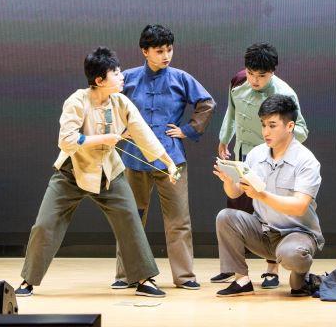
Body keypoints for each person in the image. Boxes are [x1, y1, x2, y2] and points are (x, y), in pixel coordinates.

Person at [15, 47, 178, 298]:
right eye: (116, 73)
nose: (122, 77)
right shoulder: (77, 101)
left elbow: (144, 135)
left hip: (109, 172)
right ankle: (28, 280)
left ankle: (144, 279)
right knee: (45, 224)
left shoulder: (121, 102)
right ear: (100, 80)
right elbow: (66, 140)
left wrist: (168, 163)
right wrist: (103, 138)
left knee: (130, 219)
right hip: (72, 172)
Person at [112, 24, 215, 290]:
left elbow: (207, 103)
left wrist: (187, 130)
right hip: (134, 159)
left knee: (179, 220)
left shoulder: (181, 78)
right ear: (145, 51)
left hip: (172, 159)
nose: (166, 55)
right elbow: (106, 103)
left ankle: (185, 276)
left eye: (169, 49)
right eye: (159, 51)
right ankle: (126, 274)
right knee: (131, 218)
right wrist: (118, 130)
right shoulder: (127, 78)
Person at [212, 43, 309, 288]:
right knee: (234, 207)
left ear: (273, 72)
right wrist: (224, 138)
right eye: (251, 73)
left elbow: (302, 130)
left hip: (271, 161)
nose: (255, 80)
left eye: (261, 76)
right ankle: (234, 269)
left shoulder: (285, 94)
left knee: (268, 212)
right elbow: (231, 112)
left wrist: (278, 143)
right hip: (244, 155)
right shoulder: (238, 82)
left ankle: (271, 268)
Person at [213, 94, 323, 297]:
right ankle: (242, 280)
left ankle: (302, 279)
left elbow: (299, 206)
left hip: (296, 233)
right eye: (263, 125)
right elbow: (235, 193)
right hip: (263, 231)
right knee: (225, 217)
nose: (265, 131)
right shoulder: (256, 154)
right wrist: (228, 181)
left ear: (290, 126)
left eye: (272, 125)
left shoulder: (306, 160)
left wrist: (261, 195)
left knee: (292, 256)